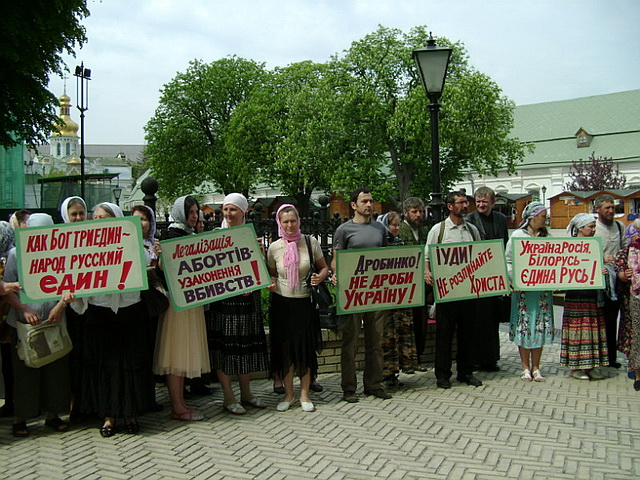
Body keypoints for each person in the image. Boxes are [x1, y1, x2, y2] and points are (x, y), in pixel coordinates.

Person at [66, 202, 155, 436]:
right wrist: (73, 296)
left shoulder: (134, 244)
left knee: (129, 366)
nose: (99, 222)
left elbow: (145, 263)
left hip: (129, 311)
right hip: (100, 312)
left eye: (104, 217)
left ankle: (130, 414)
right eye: (95, 218)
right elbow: (79, 279)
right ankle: (108, 416)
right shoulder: (85, 249)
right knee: (105, 368)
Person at [4, 214, 71, 437]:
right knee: (24, 371)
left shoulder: (61, 255)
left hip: (53, 320)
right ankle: (20, 417)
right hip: (24, 325)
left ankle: (53, 414)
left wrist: (59, 307)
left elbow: (69, 284)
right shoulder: (16, 254)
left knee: (55, 369)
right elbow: (8, 289)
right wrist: (24, 310)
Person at [207, 193, 269, 414]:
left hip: (247, 299)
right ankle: (228, 396)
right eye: (225, 209)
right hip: (225, 301)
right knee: (226, 348)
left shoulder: (251, 236)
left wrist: (261, 255)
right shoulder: (215, 236)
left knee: (246, 347)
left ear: (244, 211)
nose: (228, 214)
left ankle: (247, 393)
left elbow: (260, 270)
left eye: (233, 209)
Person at [154, 195, 211, 420]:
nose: (194, 216)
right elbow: (162, 272)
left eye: (196, 212)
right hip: (177, 306)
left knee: (185, 351)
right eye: (191, 212)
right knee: (176, 354)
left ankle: (180, 402)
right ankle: (177, 406)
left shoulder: (192, 236)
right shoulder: (171, 236)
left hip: (191, 303)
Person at [332, 187, 391, 402]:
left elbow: (387, 258)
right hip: (352, 293)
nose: (369, 205)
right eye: (364, 201)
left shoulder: (380, 229)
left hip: (376, 292)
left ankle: (374, 384)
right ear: (354, 205)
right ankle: (349, 388)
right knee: (351, 341)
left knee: (376, 341)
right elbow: (336, 260)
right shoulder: (343, 230)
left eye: (371, 201)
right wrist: (336, 274)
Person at [267, 204, 328, 412]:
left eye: (293, 221)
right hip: (282, 304)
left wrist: (319, 277)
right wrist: (272, 281)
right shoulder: (274, 247)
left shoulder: (310, 243)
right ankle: (288, 394)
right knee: (286, 351)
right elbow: (272, 272)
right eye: (286, 222)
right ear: (279, 223)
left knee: (304, 349)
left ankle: (304, 394)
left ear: (298, 220)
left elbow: (324, 267)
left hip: (304, 303)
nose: (290, 225)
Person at [424, 191, 483, 389]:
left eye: (466, 202)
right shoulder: (438, 230)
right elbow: (427, 256)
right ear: (450, 206)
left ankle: (465, 372)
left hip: (468, 291)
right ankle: (442, 375)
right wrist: (427, 273)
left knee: (469, 334)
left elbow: (481, 256)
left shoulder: (472, 230)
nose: (465, 206)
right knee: (444, 334)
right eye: (461, 203)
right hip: (446, 292)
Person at [505, 201, 554, 382]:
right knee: (524, 326)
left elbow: (554, 261)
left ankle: (536, 367)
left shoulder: (545, 237)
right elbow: (508, 260)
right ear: (533, 217)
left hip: (541, 291)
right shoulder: (517, 236)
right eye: (543, 216)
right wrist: (514, 279)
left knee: (539, 326)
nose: (545, 219)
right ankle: (525, 366)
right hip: (523, 291)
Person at [466, 186, 509, 372]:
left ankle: (491, 359)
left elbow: (505, 244)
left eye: (485, 201)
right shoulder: (470, 220)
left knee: (492, 319)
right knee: (477, 319)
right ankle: (475, 358)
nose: (481, 204)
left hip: (495, 273)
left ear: (492, 202)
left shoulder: (500, 219)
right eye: (478, 201)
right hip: (477, 274)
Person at [561, 213, 609, 380]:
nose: (594, 230)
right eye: (591, 227)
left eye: (594, 226)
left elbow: (597, 265)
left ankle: (591, 365)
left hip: (591, 295)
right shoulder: (569, 246)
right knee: (577, 329)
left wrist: (603, 271)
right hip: (575, 295)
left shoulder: (595, 245)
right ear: (580, 228)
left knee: (591, 328)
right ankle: (576, 367)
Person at [377, 212, 418, 386]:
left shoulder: (401, 243)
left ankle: (397, 372)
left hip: (401, 299)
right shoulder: (379, 245)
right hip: (385, 300)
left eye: (398, 225)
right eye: (393, 225)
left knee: (401, 334)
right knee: (387, 337)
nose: (397, 228)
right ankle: (385, 374)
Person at [59, 196, 88, 421]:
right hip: (68, 310)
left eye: (81, 213)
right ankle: (72, 407)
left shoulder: (95, 240)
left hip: (93, 309)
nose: (78, 218)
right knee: (72, 360)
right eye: (74, 214)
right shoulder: (59, 243)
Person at [594, 194, 628, 368]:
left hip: (616, 280)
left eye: (612, 208)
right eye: (607, 208)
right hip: (599, 279)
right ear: (597, 209)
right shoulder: (593, 228)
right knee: (601, 319)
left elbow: (625, 249)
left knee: (612, 318)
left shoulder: (619, 227)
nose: (611, 211)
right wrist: (601, 257)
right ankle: (600, 355)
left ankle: (611, 357)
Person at [397, 197, 430, 370]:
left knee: (421, 324)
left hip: (422, 286)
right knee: (405, 325)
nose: (419, 215)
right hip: (405, 286)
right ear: (406, 213)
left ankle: (418, 358)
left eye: (421, 211)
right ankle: (406, 361)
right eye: (415, 212)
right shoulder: (400, 230)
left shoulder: (425, 231)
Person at [615, 221, 640, 382]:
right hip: (632, 297)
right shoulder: (627, 252)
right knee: (634, 333)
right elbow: (619, 270)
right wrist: (622, 275)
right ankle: (635, 367)